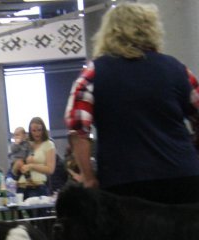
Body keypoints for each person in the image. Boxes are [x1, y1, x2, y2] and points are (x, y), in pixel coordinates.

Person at [65, 2, 199, 201]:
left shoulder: (92, 73)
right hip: (182, 177)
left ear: (109, 32)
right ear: (151, 29)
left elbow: (77, 129)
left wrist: (88, 178)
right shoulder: (177, 69)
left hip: (124, 182)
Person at [18, 117, 55, 199]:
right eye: (34, 131)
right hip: (22, 187)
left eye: (39, 130)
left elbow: (50, 169)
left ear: (43, 130)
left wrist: (31, 166)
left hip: (38, 187)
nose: (37, 133)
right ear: (30, 131)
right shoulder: (27, 144)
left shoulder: (49, 144)